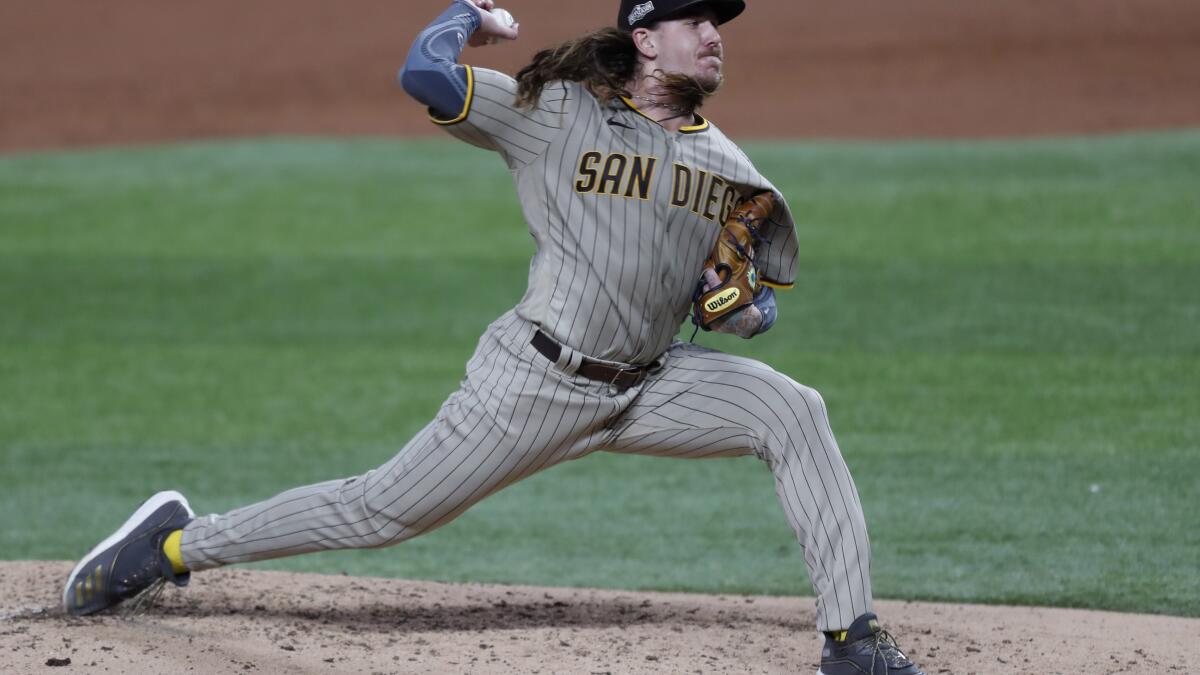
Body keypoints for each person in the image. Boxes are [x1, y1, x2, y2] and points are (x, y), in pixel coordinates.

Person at [62, 1, 923, 673]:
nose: (714, 37)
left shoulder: (730, 166)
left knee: (793, 411)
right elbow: (425, 79)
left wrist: (738, 308)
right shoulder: (555, 113)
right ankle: (172, 545)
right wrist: (463, 17)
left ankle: (851, 640)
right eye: (696, 22)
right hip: (534, 383)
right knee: (379, 510)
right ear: (645, 40)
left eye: (719, 26)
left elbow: (747, 303)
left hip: (653, 385)